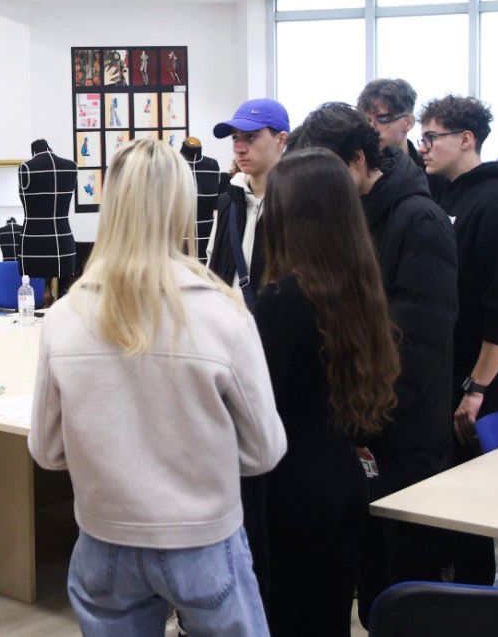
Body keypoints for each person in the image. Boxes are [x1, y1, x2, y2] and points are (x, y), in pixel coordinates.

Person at [29, 138, 285, 636]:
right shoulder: (224, 314)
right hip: (203, 538)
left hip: (104, 539)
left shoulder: (64, 317)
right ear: (182, 206)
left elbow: (47, 450)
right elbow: (263, 451)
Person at [287, 102, 457, 624]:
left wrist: (365, 419)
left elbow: (420, 346)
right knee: (373, 586)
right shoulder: (352, 216)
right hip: (362, 428)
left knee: (408, 589)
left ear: (359, 159)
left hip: (404, 433)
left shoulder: (418, 219)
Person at [252, 147, 400, 636]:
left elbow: (257, 403)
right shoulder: (359, 288)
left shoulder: (282, 300)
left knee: (280, 618)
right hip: (341, 478)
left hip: (288, 490)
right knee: (328, 619)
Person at [418, 95, 498, 584]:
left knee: (470, 502)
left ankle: (473, 597)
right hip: (445, 370)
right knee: (446, 499)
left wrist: (478, 387)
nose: (423, 147)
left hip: (480, 379)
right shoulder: (442, 196)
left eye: (432, 137)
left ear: (466, 139)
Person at [206, 99, 291, 306]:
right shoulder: (229, 202)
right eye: (235, 137)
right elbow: (213, 263)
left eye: (251, 137)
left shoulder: (296, 203)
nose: (239, 148)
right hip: (228, 319)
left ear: (281, 140)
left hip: (275, 322)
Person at [358, 78, 446, 200]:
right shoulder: (358, 171)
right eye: (367, 120)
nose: (372, 127)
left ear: (408, 122)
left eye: (383, 118)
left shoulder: (433, 171)